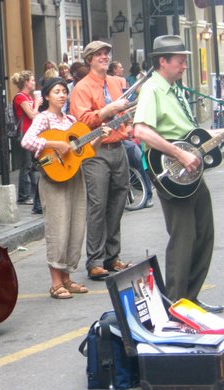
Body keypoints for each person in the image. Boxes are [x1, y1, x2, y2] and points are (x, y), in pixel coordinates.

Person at [133, 35, 224, 313]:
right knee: (183, 236)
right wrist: (178, 153)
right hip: (171, 170)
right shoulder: (153, 90)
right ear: (163, 61)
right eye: (180, 61)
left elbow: (194, 136)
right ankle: (175, 302)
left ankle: (191, 296)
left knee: (204, 233)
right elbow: (141, 131)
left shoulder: (176, 90)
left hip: (191, 171)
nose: (184, 65)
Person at [21, 77, 110, 299]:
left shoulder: (71, 120)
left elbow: (85, 150)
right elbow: (27, 141)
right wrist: (55, 144)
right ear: (47, 96)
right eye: (57, 91)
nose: (62, 95)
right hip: (54, 178)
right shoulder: (43, 119)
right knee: (58, 228)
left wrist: (99, 137)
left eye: (64, 91)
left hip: (74, 175)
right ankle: (55, 283)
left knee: (76, 227)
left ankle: (67, 278)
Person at [70, 41, 132, 281]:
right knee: (98, 205)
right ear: (89, 60)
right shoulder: (81, 88)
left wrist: (128, 120)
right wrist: (109, 109)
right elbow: (83, 120)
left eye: (107, 53)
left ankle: (112, 256)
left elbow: (123, 114)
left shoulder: (117, 83)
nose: (105, 57)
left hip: (119, 146)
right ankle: (94, 261)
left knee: (118, 202)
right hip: (96, 151)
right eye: (99, 54)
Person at [11, 71, 42, 213]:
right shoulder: (20, 97)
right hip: (25, 134)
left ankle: (32, 193)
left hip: (32, 132)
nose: (34, 82)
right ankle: (23, 196)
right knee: (26, 165)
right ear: (26, 83)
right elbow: (31, 114)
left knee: (31, 165)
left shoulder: (27, 97)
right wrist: (36, 104)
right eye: (32, 80)